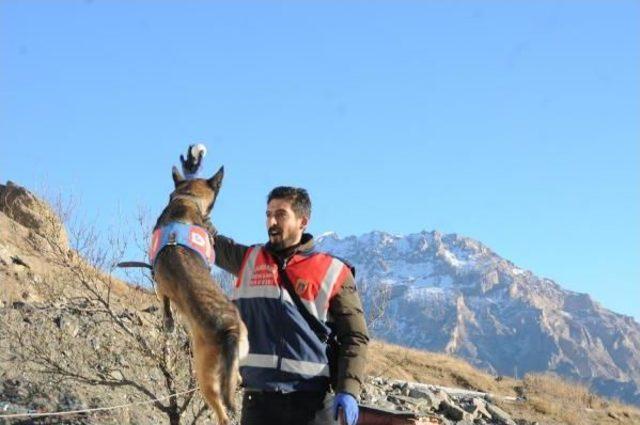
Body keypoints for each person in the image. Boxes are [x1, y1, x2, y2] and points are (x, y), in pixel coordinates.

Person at [180, 145, 369, 425]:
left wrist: (349, 391)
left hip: (313, 405)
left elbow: (355, 337)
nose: (271, 221)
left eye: (280, 214)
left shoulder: (334, 271)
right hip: (259, 403)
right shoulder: (248, 259)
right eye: (268, 213)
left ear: (303, 221)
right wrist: (190, 185)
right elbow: (204, 232)